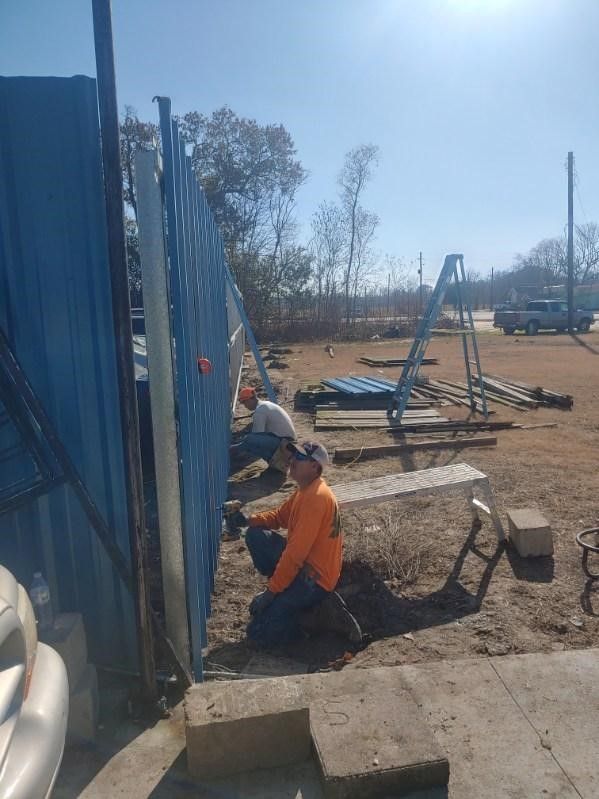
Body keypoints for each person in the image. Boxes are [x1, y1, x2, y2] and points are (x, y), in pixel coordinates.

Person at [241, 440, 362, 649]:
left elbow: (295, 554)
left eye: (299, 457)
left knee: (258, 634)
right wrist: (248, 519)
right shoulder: (304, 491)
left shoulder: (315, 498)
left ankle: (313, 620)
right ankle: (289, 597)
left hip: (314, 580)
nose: (292, 460)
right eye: (293, 455)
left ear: (315, 467)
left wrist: (270, 593)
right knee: (256, 534)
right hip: (305, 568)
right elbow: (279, 517)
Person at [230, 387, 297, 465]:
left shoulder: (260, 411)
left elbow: (255, 436)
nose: (245, 406)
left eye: (244, 402)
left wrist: (235, 447)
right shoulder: (265, 404)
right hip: (288, 442)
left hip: (284, 443)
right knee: (251, 441)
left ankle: (277, 462)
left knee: (251, 440)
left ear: (251, 399)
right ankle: (275, 463)